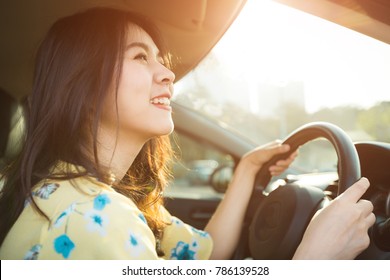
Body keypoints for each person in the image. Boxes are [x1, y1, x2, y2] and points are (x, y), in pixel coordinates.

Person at [0, 7, 374, 260]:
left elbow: (205, 255)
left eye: (160, 60)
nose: (167, 74)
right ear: (82, 89)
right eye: (139, 57)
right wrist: (315, 261)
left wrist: (245, 171)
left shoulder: (86, 197)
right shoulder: (92, 217)